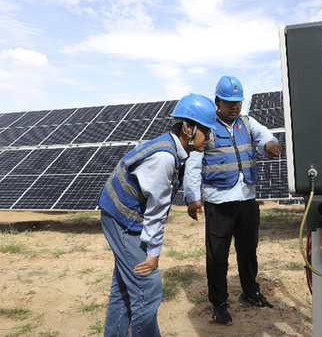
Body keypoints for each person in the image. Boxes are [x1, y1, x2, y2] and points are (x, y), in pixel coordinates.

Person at [98, 93, 216, 337]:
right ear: (187, 129)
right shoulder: (164, 158)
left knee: (125, 285)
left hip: (120, 212)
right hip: (122, 217)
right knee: (147, 285)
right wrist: (153, 254)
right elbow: (156, 212)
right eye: (206, 131)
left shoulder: (173, 148)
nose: (209, 137)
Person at [184, 76, 284, 326]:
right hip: (219, 203)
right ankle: (219, 304)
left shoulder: (247, 123)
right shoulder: (206, 127)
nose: (234, 107)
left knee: (248, 252)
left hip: (247, 200)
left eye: (238, 103)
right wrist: (192, 198)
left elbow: (264, 135)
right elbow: (193, 165)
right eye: (229, 103)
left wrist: (269, 143)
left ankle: (250, 292)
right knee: (217, 257)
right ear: (217, 101)